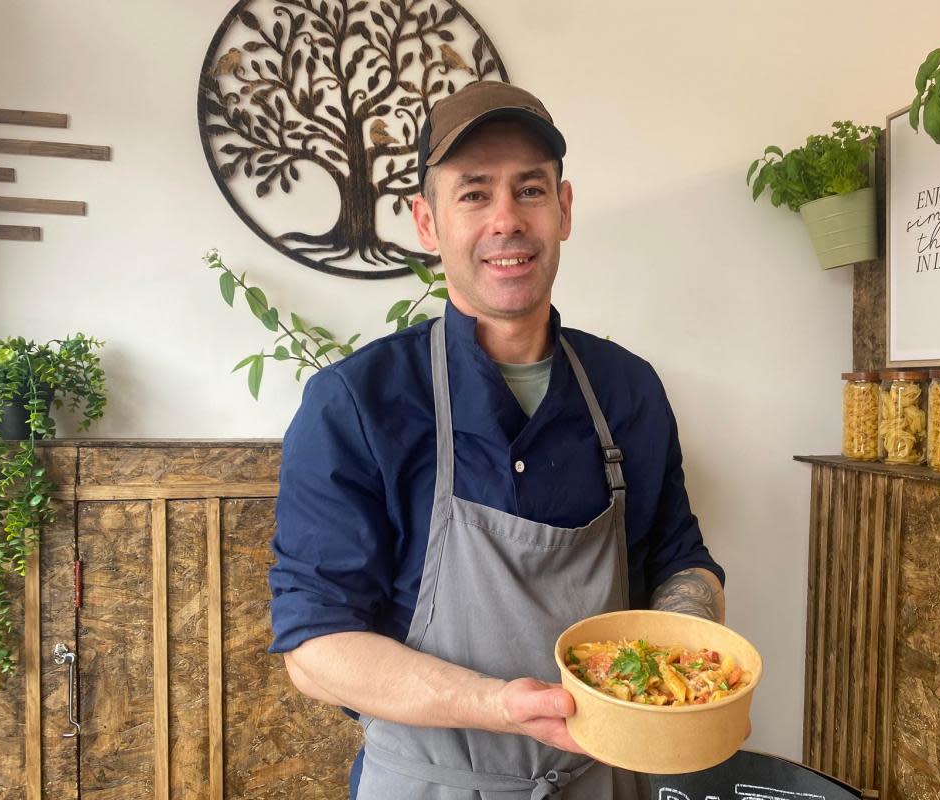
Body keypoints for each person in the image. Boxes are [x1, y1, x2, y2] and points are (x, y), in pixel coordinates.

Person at [268, 80, 726, 800]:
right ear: (427, 222)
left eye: (531, 191)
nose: (506, 220)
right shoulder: (358, 403)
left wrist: (688, 658)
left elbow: (679, 559)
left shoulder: (628, 389)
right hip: (428, 784)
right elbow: (315, 647)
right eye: (474, 194)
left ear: (564, 209)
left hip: (601, 778)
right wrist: (500, 706)